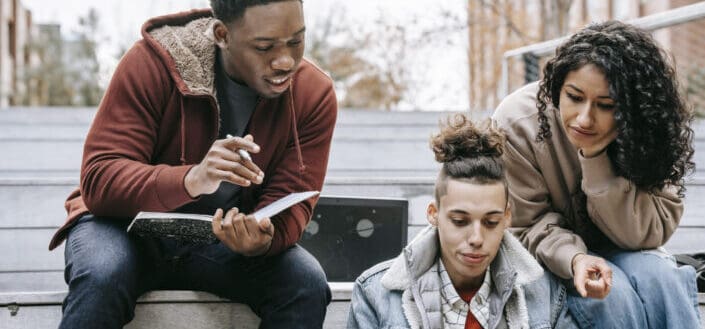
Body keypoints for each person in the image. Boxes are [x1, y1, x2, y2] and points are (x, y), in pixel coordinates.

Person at [48, 1, 337, 328]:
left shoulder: (313, 93)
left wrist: (263, 240)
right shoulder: (153, 63)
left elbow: (295, 197)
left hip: (218, 242)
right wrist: (191, 179)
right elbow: (100, 179)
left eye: (296, 41)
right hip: (120, 228)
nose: (286, 61)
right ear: (222, 34)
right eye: (264, 46)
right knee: (103, 274)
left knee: (305, 282)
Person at [492, 21, 700, 328]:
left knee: (661, 280)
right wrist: (576, 258)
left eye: (606, 106)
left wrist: (596, 159)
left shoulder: (647, 125)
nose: (585, 118)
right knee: (608, 296)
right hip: (549, 260)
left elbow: (651, 230)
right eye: (574, 97)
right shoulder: (516, 123)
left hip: (627, 248)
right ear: (556, 88)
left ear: (631, 108)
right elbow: (525, 226)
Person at [347, 114, 577, 329]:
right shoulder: (376, 294)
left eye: (491, 222)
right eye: (459, 221)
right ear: (433, 214)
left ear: (507, 217)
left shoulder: (544, 294)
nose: (476, 238)